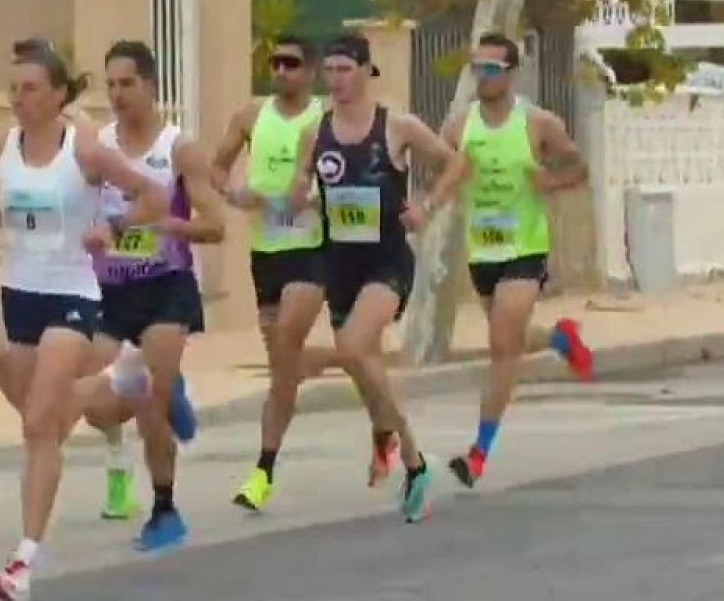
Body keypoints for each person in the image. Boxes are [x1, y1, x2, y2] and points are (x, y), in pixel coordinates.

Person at [0, 39, 167, 601]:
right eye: (13, 90)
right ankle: (115, 381)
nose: (18, 99)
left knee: (38, 423)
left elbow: (152, 196)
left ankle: (22, 562)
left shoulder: (85, 151)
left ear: (55, 95)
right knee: (40, 421)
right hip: (18, 296)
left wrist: (114, 228)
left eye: (29, 89)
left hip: (72, 295)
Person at [294, 31, 466, 523]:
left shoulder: (397, 126)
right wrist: (297, 196)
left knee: (350, 349)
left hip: (387, 261)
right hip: (339, 264)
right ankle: (393, 443)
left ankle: (408, 457)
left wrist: (429, 205)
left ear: (367, 71)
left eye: (346, 69)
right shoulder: (317, 132)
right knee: (364, 367)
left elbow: (454, 163)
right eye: (330, 71)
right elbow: (302, 185)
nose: (336, 80)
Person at [72, 40, 223, 551]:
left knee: (151, 400)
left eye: (127, 83)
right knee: (96, 407)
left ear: (152, 86)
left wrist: (164, 223)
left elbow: (215, 225)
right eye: (110, 85)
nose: (116, 94)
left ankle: (164, 509)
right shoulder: (100, 149)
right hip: (110, 293)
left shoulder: (179, 149)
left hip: (166, 288)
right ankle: (167, 384)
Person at [213, 34, 361, 511]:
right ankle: (356, 361)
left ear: (312, 70)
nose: (281, 71)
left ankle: (262, 470)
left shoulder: (326, 121)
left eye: (291, 64)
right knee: (283, 366)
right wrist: (233, 193)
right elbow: (216, 169)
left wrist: (314, 199)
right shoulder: (251, 116)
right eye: (275, 62)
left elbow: (352, 184)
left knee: (287, 347)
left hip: (311, 250)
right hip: (266, 253)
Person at [440, 32, 594, 489]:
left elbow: (578, 167)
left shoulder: (537, 123)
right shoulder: (458, 126)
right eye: (476, 68)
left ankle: (478, 453)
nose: (482, 77)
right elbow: (443, 171)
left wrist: (551, 181)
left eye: (491, 69)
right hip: (482, 248)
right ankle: (559, 339)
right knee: (510, 337)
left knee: (502, 348)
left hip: (525, 247)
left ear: (511, 74)